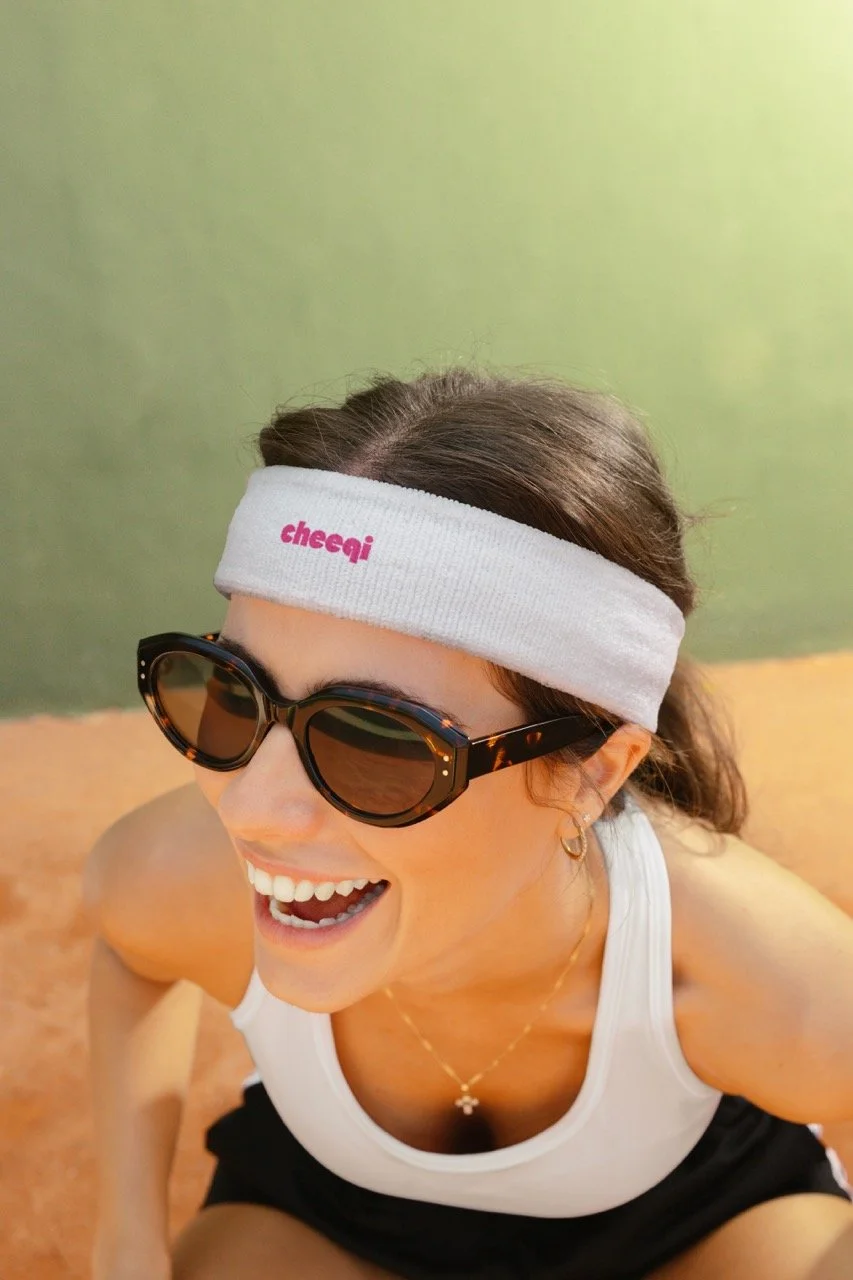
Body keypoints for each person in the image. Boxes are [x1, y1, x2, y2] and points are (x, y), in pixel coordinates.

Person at [85, 370, 853, 1280]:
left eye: (378, 741)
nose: (251, 810)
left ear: (595, 771)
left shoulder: (765, 976)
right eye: (227, 695)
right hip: (331, 1216)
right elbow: (129, 953)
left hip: (694, 1221)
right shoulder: (181, 873)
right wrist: (125, 1240)